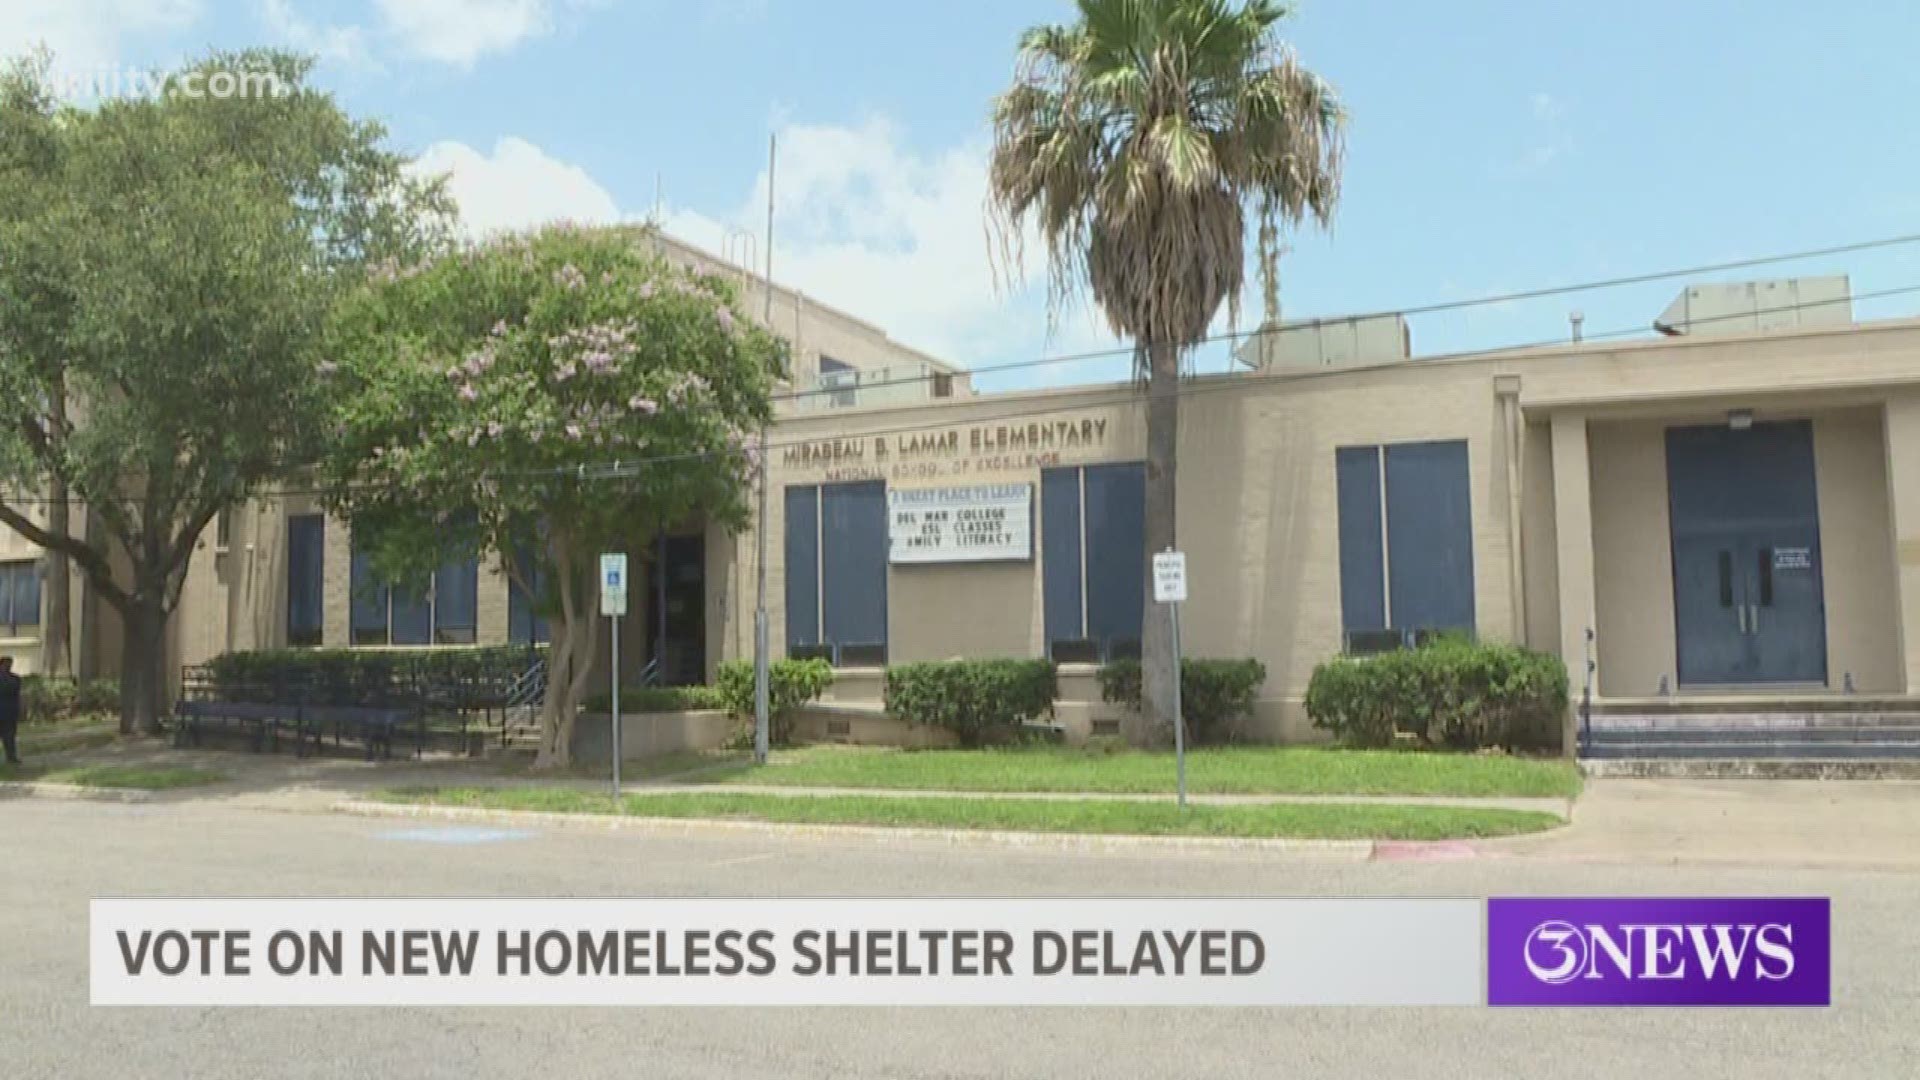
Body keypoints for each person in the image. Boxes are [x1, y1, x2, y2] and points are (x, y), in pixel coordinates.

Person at [0, 656, 21, 766]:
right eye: (6, 664)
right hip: (8, 711)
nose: (8, 666)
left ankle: (11, 757)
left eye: (10, 664)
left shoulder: (15, 678)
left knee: (10, 737)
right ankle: (11, 757)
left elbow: (16, 694)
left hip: (9, 712)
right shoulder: (14, 679)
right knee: (9, 736)